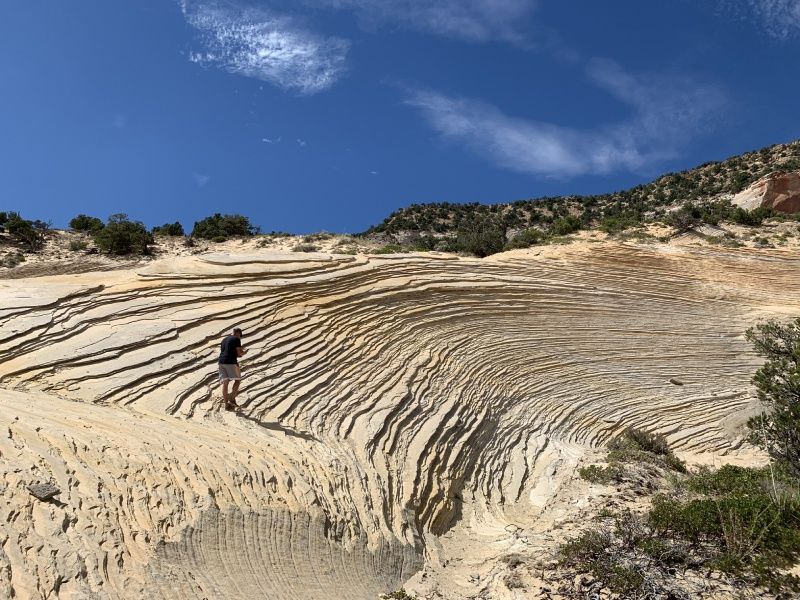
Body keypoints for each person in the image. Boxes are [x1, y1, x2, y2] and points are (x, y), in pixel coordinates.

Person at [218, 327, 247, 411]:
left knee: (225, 382)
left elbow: (226, 351)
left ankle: (226, 404)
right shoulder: (236, 339)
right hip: (231, 362)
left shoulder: (224, 340)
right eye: (240, 335)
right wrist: (244, 353)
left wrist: (238, 355)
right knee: (237, 380)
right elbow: (239, 352)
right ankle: (231, 398)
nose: (239, 337)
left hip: (221, 362)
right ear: (238, 333)